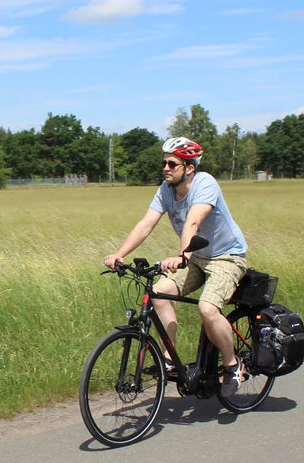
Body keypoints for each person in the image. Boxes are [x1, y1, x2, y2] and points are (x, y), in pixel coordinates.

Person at [104, 137, 249, 397]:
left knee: (207, 309)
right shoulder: (166, 190)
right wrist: (120, 253)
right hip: (195, 256)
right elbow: (146, 224)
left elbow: (193, 223)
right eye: (164, 163)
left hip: (226, 256)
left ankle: (233, 365)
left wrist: (182, 256)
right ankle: (169, 359)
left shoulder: (205, 184)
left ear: (189, 167)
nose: (166, 168)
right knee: (159, 293)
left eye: (173, 163)